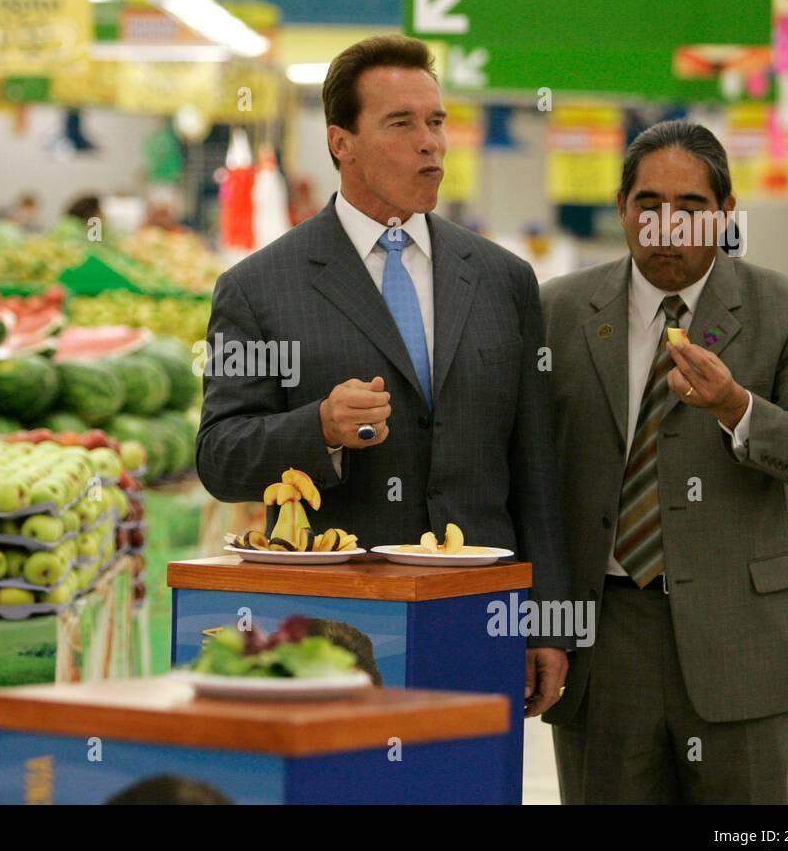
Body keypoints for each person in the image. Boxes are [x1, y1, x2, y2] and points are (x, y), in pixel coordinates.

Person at [195, 35, 574, 716]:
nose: (431, 143)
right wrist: (317, 429)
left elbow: (535, 464)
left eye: (436, 122)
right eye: (402, 124)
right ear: (341, 142)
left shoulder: (502, 280)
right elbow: (221, 456)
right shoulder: (258, 288)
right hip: (335, 631)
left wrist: (547, 618)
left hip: (478, 617)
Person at [539, 120, 788, 803]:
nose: (667, 224)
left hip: (745, 641)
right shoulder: (560, 311)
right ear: (622, 207)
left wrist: (738, 406)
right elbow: (532, 477)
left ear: (726, 214)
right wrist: (540, 624)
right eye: (649, 203)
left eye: (691, 207)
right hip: (606, 638)